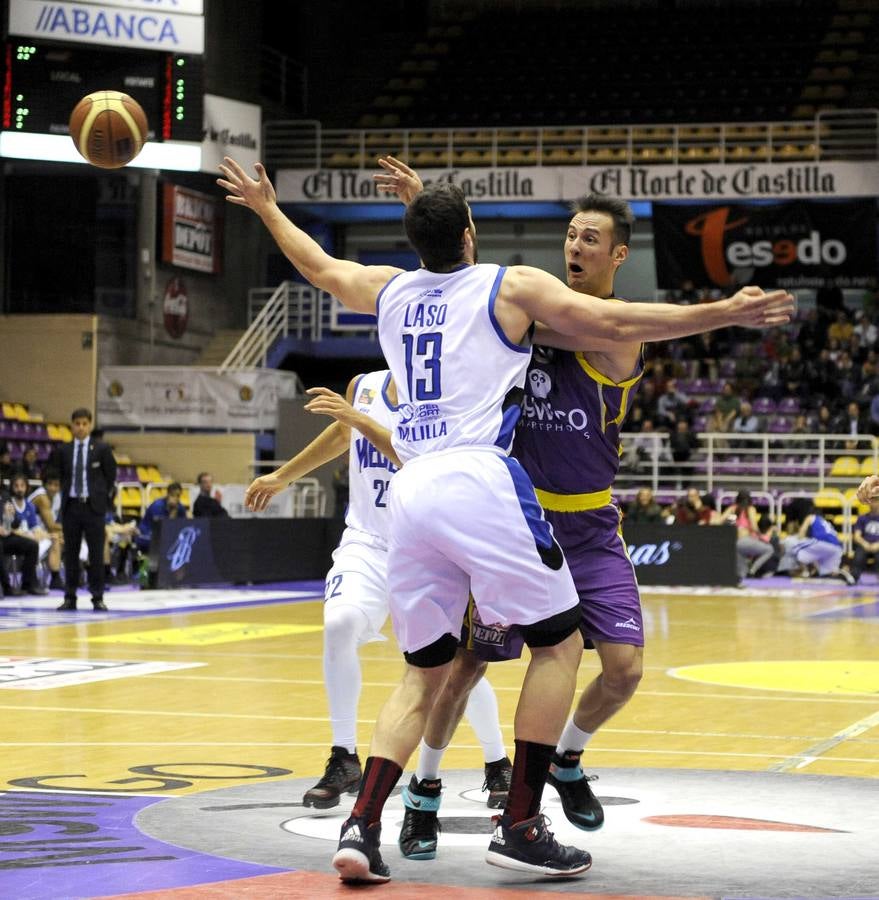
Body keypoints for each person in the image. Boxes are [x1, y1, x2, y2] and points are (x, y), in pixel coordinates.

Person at [218, 154, 792, 883]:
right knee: (557, 647)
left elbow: (320, 266)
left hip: (411, 491)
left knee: (419, 675)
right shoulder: (509, 286)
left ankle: (361, 828)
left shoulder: (390, 291)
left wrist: (267, 207)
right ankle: (519, 822)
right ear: (470, 234)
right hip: (478, 481)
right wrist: (725, 311)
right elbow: (613, 318)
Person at [244, 371, 511, 815]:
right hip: (367, 542)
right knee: (339, 624)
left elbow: (417, 458)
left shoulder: (449, 392)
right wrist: (281, 476)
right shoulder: (363, 387)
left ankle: (497, 759)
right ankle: (343, 757)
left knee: (453, 666)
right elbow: (341, 434)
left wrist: (358, 420)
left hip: (429, 546)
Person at [54, 408, 116, 611]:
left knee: (96, 554)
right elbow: (61, 475)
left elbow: (110, 476)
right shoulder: (64, 450)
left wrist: (99, 497)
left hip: (93, 507)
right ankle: (70, 596)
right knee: (70, 554)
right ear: (72, 426)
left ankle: (97, 596)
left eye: (84, 423)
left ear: (90, 425)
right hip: (71, 506)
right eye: (77, 424)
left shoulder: (102, 449)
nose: (80, 427)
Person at [777, 497, 855, 584]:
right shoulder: (824, 521)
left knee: (792, 543)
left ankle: (804, 571)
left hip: (825, 545)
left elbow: (801, 535)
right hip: (837, 549)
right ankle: (845, 575)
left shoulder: (810, 517)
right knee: (827, 573)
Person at [0, 477, 48, 596]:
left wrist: (8, 517)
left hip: (5, 536)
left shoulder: (4, 496)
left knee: (31, 545)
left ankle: (27, 584)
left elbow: (13, 524)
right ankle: (6, 586)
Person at [721, 490, 776, 581]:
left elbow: (722, 521)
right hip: (745, 541)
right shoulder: (750, 509)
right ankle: (752, 570)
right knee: (769, 549)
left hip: (734, 543)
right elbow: (754, 526)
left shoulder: (732, 508)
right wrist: (761, 536)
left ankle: (745, 572)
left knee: (742, 574)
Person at [27, 469, 64, 589]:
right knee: (57, 537)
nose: (53, 488)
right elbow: (51, 525)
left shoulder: (57, 496)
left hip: (42, 532)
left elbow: (55, 525)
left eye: (56, 485)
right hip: (29, 531)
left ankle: (75, 574)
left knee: (64, 537)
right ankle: (55, 578)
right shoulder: (42, 497)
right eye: (50, 484)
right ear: (45, 484)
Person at [135, 482, 190, 554]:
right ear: (168, 494)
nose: (175, 498)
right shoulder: (157, 506)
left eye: (178, 496)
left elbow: (184, 526)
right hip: (147, 533)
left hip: (164, 538)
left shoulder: (180, 508)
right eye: (173, 495)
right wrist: (172, 515)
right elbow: (161, 530)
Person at [849, 496, 879, 583]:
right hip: (864, 544)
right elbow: (857, 536)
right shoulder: (862, 518)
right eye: (872, 501)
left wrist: (877, 545)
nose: (873, 504)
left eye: (876, 501)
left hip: (877, 545)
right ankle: (854, 577)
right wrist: (865, 544)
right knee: (859, 555)